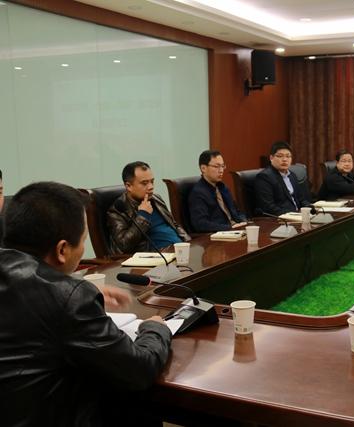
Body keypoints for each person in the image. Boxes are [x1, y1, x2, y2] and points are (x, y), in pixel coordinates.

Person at [0, 181, 172, 426]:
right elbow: (139, 369)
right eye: (83, 240)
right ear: (62, 250)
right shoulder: (69, 299)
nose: (83, 248)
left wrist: (70, 287)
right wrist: (155, 328)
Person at [108, 161, 190, 254]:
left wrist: (189, 243)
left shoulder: (156, 198)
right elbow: (124, 245)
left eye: (152, 181)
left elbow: (174, 224)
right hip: (156, 256)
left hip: (179, 251)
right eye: (144, 183)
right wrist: (143, 215)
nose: (151, 187)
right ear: (129, 186)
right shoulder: (118, 210)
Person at [189, 150, 247, 232]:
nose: (221, 170)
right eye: (217, 166)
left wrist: (244, 222)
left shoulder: (223, 188)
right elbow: (201, 224)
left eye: (223, 166)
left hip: (236, 230)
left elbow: (237, 211)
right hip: (220, 234)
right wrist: (230, 228)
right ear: (203, 168)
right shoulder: (198, 193)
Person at [254, 141, 312, 216]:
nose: (284, 159)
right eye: (280, 156)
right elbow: (268, 207)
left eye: (288, 156)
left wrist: (311, 208)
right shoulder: (264, 177)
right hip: (280, 218)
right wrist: (293, 215)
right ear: (271, 158)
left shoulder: (292, 175)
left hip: (297, 216)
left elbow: (301, 199)